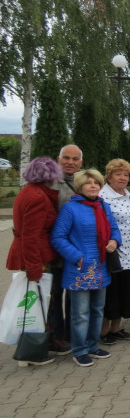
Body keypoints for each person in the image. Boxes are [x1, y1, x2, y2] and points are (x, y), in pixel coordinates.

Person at [51, 169, 121, 366]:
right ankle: (79, 349)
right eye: (88, 183)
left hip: (101, 268)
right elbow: (58, 237)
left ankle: (92, 345)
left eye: (96, 183)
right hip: (80, 269)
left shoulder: (104, 207)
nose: (93, 186)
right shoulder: (70, 209)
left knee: (98, 309)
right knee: (80, 313)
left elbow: (114, 229)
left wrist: (115, 241)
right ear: (80, 186)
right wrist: (77, 257)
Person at [6, 157, 63, 366]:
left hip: (33, 256)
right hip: (37, 259)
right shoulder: (38, 197)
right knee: (37, 306)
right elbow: (31, 235)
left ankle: (32, 349)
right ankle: (32, 351)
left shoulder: (29, 192)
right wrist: (34, 268)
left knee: (34, 305)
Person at [98, 159, 130, 345]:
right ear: (109, 176)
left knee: (124, 293)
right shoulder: (102, 197)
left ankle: (116, 329)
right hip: (113, 253)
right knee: (111, 295)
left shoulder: (127, 195)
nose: (123, 178)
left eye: (126, 175)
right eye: (118, 174)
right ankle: (103, 332)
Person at [48, 144, 84, 355]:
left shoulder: (81, 183)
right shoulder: (50, 183)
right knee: (54, 296)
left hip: (76, 252)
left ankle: (71, 334)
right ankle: (56, 337)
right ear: (58, 159)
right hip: (55, 250)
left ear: (81, 163)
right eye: (66, 158)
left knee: (74, 296)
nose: (70, 162)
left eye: (75, 159)